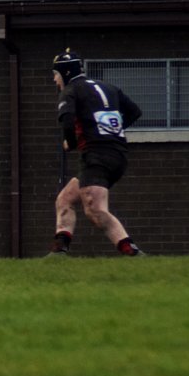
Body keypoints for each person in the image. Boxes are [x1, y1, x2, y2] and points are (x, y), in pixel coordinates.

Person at [48, 51, 144, 257]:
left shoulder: (70, 91)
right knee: (65, 199)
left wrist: (71, 143)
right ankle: (59, 251)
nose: (55, 80)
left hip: (96, 155)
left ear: (65, 73)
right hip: (117, 156)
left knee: (95, 210)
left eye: (56, 74)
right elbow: (135, 111)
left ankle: (132, 252)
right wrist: (112, 131)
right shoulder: (108, 87)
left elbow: (67, 121)